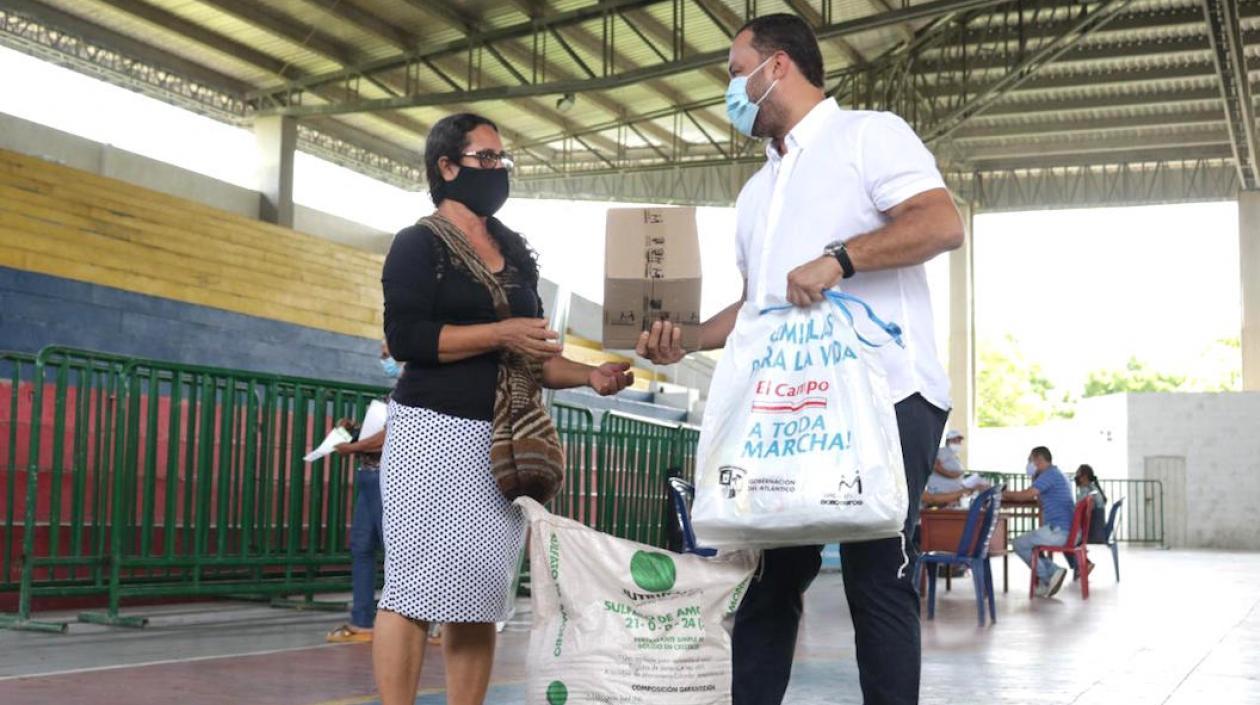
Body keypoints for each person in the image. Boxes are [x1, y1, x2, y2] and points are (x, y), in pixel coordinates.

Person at [636, 14, 964, 705]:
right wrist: (686, 338)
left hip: (885, 395)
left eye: (736, 72)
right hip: (787, 414)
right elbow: (755, 306)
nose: (731, 91)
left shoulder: (868, 135)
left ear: (776, 66)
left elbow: (940, 223)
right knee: (771, 578)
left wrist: (841, 258)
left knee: (877, 573)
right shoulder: (756, 192)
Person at [375, 112, 634, 705]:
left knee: (480, 596)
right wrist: (500, 333)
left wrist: (590, 375)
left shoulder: (515, 254)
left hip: (503, 445)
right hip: (430, 435)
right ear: (446, 167)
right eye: (485, 158)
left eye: (501, 159)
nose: (498, 169)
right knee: (412, 591)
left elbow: (536, 357)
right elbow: (407, 337)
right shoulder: (417, 244)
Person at [325, 340, 398, 644]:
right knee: (361, 546)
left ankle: (408, 623)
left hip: (388, 480)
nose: (384, 360)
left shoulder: (414, 393)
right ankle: (363, 620)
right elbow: (377, 433)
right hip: (369, 477)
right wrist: (354, 431)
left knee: (396, 551)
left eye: (388, 354)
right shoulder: (393, 394)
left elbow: (391, 436)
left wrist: (353, 447)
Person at [1003, 447, 1075, 598]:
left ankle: (1049, 576)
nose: (1029, 464)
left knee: (1018, 543)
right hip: (1066, 530)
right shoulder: (1056, 473)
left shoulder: (1049, 474)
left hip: (1059, 531)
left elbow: (1025, 496)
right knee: (1030, 542)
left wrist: (1001, 493)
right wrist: (1035, 479)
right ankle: (1051, 573)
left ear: (1039, 460)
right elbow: (1040, 503)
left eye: (1030, 460)